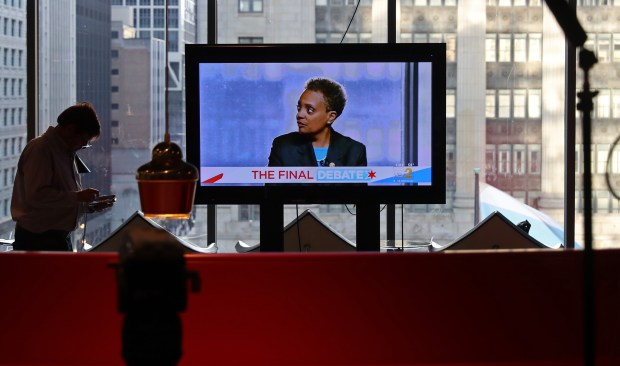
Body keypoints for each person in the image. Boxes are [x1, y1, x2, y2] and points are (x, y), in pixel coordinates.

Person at [11, 102, 114, 251]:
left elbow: (57, 200)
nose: (82, 146)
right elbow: (38, 196)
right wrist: (79, 197)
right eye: (83, 141)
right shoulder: (41, 149)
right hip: (39, 239)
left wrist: (89, 206)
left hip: (54, 237)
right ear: (70, 129)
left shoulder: (65, 152)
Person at [268, 77, 367, 167]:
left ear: (331, 117)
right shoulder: (283, 147)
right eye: (299, 108)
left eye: (310, 110)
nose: (299, 115)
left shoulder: (355, 151)